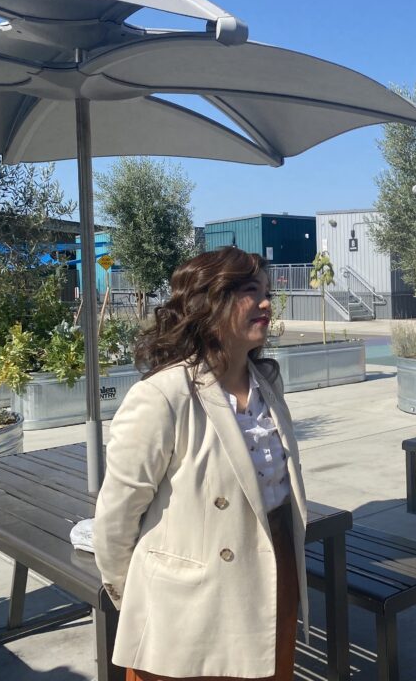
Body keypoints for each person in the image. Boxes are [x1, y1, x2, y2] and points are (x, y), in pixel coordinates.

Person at [93, 247, 309, 681]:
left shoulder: (267, 382)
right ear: (209, 304)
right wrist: (147, 600)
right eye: (251, 292)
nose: (267, 303)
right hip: (190, 614)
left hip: (273, 579)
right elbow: (115, 523)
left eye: (266, 292)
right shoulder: (163, 396)